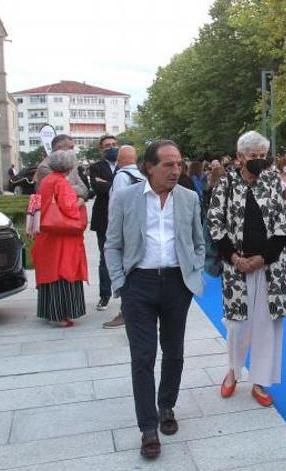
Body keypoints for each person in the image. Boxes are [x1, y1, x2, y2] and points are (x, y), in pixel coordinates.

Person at [104, 140, 205, 460]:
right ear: (149, 166)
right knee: (143, 357)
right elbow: (112, 244)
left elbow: (198, 243)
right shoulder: (125, 197)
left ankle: (166, 407)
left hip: (177, 284)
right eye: (168, 165)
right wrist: (121, 284)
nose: (176, 170)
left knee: (174, 352)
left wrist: (193, 273)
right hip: (140, 286)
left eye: (179, 165)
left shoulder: (189, 197)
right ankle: (147, 426)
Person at [207, 131, 286, 409]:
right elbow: (215, 224)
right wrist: (233, 257)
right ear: (240, 156)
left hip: (271, 268)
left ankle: (260, 380)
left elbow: (282, 226)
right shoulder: (226, 183)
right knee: (237, 324)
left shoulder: (273, 182)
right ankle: (233, 371)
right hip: (237, 267)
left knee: (267, 325)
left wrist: (262, 258)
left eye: (261, 155)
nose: (258, 160)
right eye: (252, 155)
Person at [32, 150, 88, 328]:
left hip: (48, 234)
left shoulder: (47, 180)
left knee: (51, 273)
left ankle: (50, 311)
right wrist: (80, 201)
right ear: (70, 167)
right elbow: (69, 208)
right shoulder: (61, 182)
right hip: (62, 236)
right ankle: (61, 314)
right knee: (64, 272)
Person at [102, 145, 146, 330]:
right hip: (140, 228)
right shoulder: (142, 176)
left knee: (123, 265)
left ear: (119, 160)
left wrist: (113, 230)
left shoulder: (121, 177)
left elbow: (116, 205)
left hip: (124, 229)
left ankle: (126, 310)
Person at [89, 135, 119, 312]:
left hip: (124, 219)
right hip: (103, 219)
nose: (112, 148)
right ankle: (104, 296)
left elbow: (134, 188)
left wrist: (109, 184)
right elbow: (98, 188)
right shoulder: (96, 167)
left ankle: (128, 294)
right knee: (105, 258)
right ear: (102, 149)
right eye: (108, 146)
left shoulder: (126, 165)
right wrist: (117, 186)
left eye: (114, 145)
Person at [34, 134, 89, 200]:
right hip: (56, 209)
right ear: (58, 148)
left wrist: (79, 195)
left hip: (74, 208)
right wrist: (78, 191)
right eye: (70, 148)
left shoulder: (72, 165)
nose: (73, 151)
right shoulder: (44, 167)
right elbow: (62, 192)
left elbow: (85, 191)